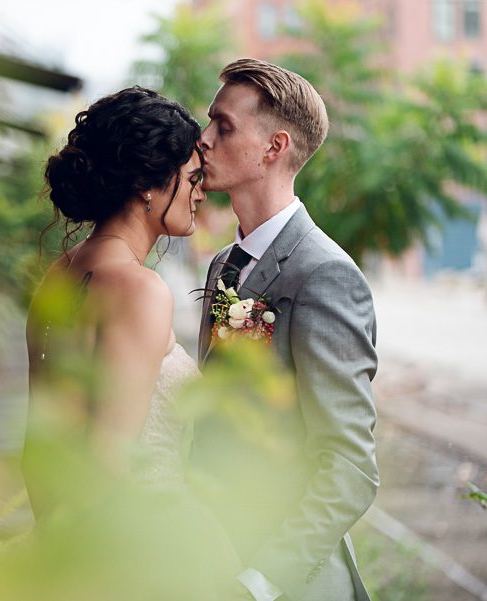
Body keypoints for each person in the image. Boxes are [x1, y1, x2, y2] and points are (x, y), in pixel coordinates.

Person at [21, 86, 242, 600]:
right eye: (191, 179)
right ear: (148, 186)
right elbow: (110, 460)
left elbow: (39, 446)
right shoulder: (140, 290)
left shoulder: (59, 273)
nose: (200, 193)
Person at [192, 58, 379, 601]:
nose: (203, 140)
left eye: (223, 127)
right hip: (217, 553)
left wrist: (261, 581)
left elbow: (350, 467)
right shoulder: (223, 262)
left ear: (273, 148)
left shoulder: (326, 275)